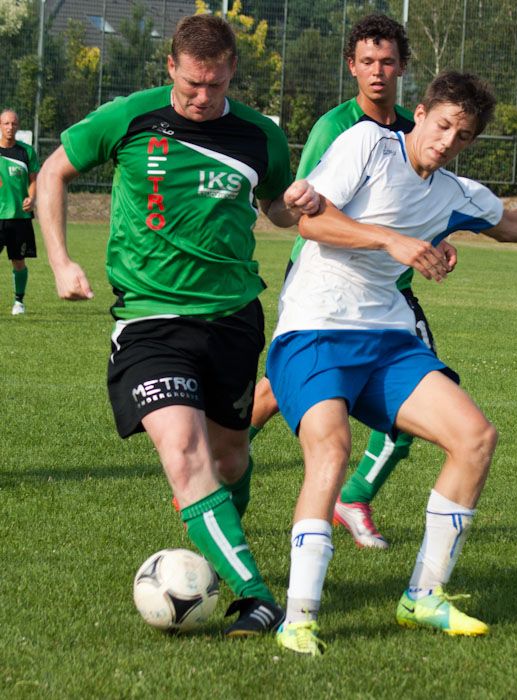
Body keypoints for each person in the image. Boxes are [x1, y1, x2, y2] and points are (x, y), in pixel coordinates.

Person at [266, 71, 517, 656]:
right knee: (333, 448)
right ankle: (299, 619)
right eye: (443, 125)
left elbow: (514, 223)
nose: (448, 141)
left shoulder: (455, 193)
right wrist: (390, 241)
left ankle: (424, 595)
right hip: (317, 324)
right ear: (418, 114)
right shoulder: (368, 145)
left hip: (387, 336)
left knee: (474, 438)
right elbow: (312, 220)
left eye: (463, 135)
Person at [36, 15, 319, 638]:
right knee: (184, 453)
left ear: (231, 73)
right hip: (150, 319)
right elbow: (53, 171)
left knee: (231, 455)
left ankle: (216, 544)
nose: (201, 97)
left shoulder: (260, 135)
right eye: (192, 85)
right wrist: (60, 260)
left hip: (234, 319)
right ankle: (257, 596)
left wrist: (293, 206)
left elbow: (272, 206)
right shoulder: (130, 117)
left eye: (214, 86)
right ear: (171, 67)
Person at [247, 14, 419, 550]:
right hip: (324, 282)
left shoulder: (414, 130)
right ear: (351, 67)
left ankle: (354, 494)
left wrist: (434, 238)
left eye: (387, 61)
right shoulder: (335, 127)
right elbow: (310, 211)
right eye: (367, 62)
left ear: (402, 67)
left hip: (389, 289)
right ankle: (228, 454)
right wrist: (382, 238)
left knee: (406, 397)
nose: (377, 72)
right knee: (285, 387)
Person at [0, 109, 39, 315]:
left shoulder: (26, 152)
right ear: (0, 126)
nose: (10, 128)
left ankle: (19, 302)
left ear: (18, 126)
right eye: (6, 123)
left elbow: (34, 181)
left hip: (19, 217)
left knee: (18, 261)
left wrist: (32, 198)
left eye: (13, 124)